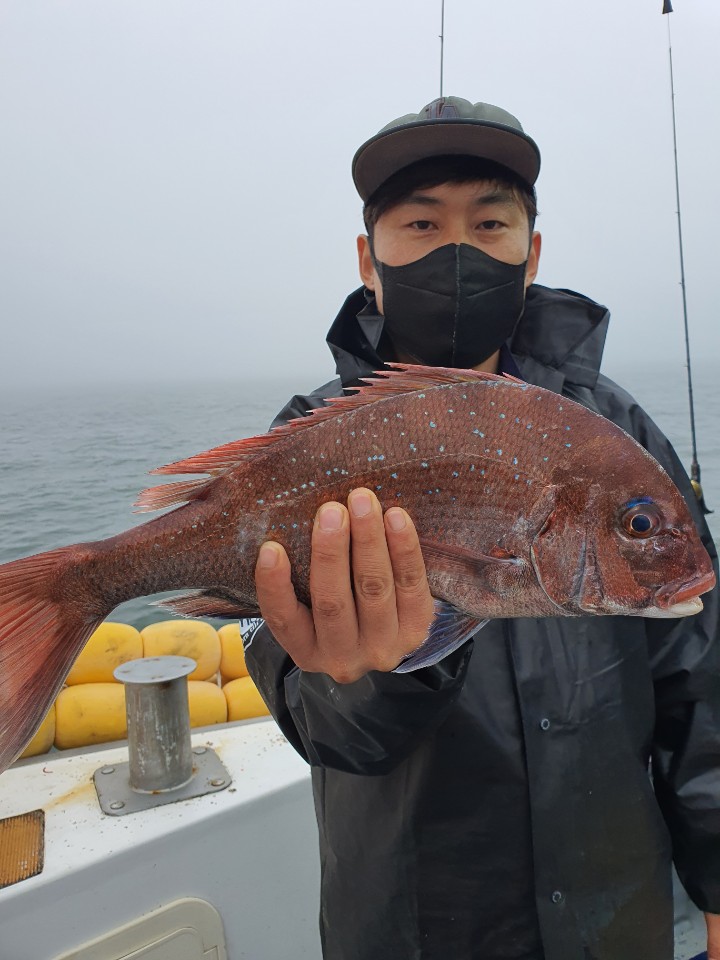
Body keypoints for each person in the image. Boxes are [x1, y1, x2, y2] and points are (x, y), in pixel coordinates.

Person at [245, 97, 720, 960]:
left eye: (491, 222)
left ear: (531, 254)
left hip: (616, 917)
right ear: (369, 260)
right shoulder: (307, 443)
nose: (458, 251)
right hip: (412, 923)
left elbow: (698, 676)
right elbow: (323, 725)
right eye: (421, 222)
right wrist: (374, 667)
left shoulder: (616, 436)